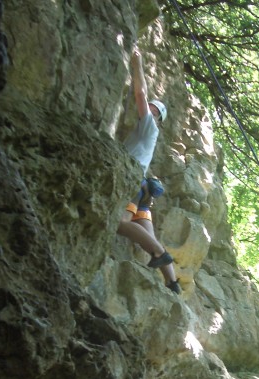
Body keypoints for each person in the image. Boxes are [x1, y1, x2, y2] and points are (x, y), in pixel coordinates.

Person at [117, 46, 181, 294]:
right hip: (143, 189)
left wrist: (137, 64)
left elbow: (140, 93)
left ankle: (160, 253)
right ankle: (172, 283)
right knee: (148, 234)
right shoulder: (148, 134)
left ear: (155, 115)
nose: (145, 108)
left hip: (134, 184)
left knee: (120, 223)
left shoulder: (149, 126)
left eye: (151, 109)